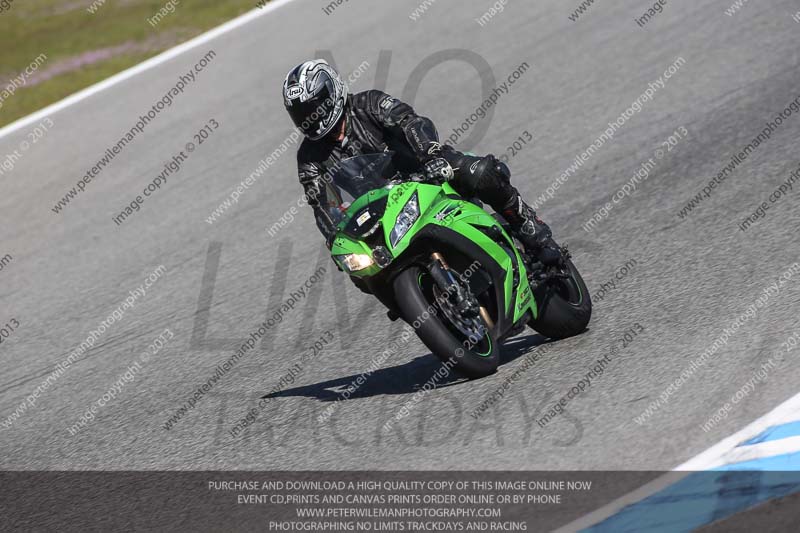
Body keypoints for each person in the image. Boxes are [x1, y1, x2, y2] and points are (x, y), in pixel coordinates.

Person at [283, 59, 561, 265]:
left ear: (331, 92)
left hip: (424, 173)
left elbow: (410, 122)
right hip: (381, 212)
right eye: (302, 114)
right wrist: (334, 236)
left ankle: (527, 226)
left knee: (479, 172)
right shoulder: (309, 157)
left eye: (314, 108)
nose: (311, 118)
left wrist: (430, 155)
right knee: (359, 268)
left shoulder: (369, 103)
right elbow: (320, 202)